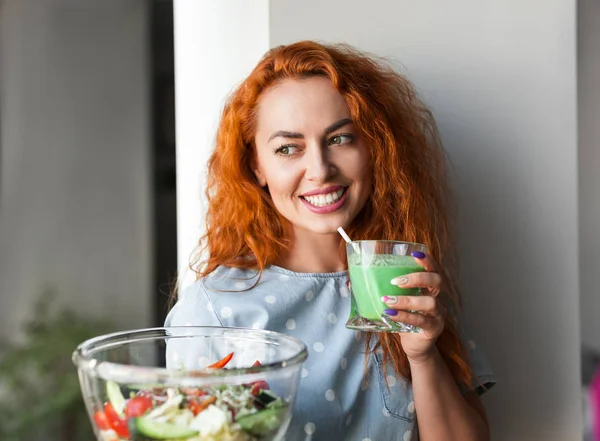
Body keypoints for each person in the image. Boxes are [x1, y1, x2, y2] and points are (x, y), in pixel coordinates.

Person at [166, 40, 496, 441]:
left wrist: (423, 356)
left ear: (372, 147)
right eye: (288, 148)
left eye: (340, 139)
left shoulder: (406, 276)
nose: (320, 170)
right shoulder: (215, 310)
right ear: (257, 166)